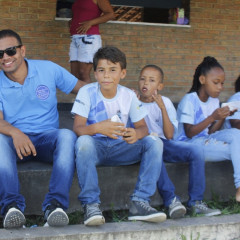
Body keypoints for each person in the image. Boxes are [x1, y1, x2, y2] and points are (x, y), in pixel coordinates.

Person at [0, 29, 84, 229]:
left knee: (66, 136)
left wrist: (115, 91)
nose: (5, 58)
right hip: (16, 144)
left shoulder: (48, 69)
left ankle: (54, 206)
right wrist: (16, 133)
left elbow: (82, 88)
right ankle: (12, 207)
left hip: (47, 140)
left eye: (10, 51)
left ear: (22, 50)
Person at [71, 46, 166, 226]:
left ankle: (140, 202)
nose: (106, 75)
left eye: (112, 70)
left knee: (154, 142)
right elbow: (78, 128)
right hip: (96, 148)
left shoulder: (128, 95)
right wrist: (99, 128)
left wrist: (135, 134)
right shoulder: (87, 92)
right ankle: (90, 205)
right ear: (95, 73)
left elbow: (143, 128)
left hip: (121, 147)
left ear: (122, 73)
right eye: (101, 70)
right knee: (83, 141)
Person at [137, 64, 221, 217]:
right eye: (142, 79)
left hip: (166, 143)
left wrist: (162, 108)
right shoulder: (132, 100)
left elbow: (169, 135)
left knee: (196, 151)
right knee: (154, 154)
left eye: (151, 80)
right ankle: (171, 201)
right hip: (144, 146)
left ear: (160, 85)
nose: (145, 83)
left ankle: (196, 202)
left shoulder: (166, 102)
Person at [176, 56, 240, 202]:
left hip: (205, 139)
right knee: (236, 149)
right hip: (188, 144)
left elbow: (211, 132)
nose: (220, 87)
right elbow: (189, 132)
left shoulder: (214, 101)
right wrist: (212, 117)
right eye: (216, 82)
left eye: (222, 83)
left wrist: (223, 116)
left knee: (237, 135)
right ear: (202, 80)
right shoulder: (189, 100)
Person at [69, 0, 116, 83]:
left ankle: (89, 96)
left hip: (89, 38)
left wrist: (90, 23)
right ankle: (80, 96)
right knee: (74, 76)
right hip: (75, 38)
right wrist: (72, 21)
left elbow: (111, 14)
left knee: (83, 73)